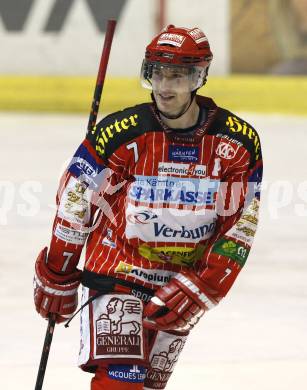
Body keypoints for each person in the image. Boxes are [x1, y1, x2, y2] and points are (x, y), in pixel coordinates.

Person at [33, 24, 263, 389]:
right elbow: (76, 201)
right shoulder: (121, 132)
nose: (164, 87)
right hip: (116, 274)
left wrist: (206, 286)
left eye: (176, 76)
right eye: (156, 74)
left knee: (148, 387)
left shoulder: (237, 143)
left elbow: (240, 226)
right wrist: (58, 270)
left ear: (198, 77)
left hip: (179, 286)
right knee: (121, 382)